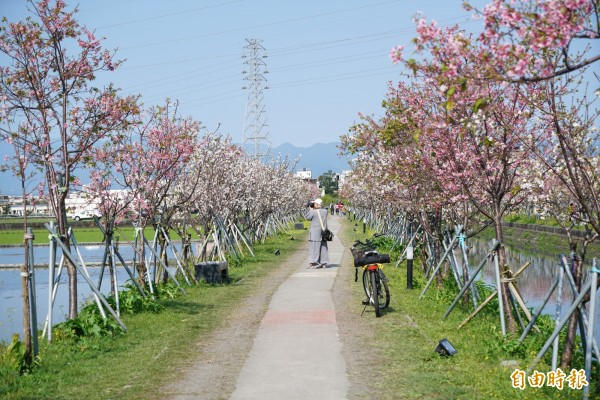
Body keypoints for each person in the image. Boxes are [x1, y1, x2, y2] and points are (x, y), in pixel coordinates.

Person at [305, 198, 330, 269]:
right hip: (323, 232)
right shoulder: (325, 211)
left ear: (317, 204)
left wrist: (311, 209)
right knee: (323, 247)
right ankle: (324, 263)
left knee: (314, 248)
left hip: (315, 233)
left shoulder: (313, 212)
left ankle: (314, 263)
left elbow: (307, 217)